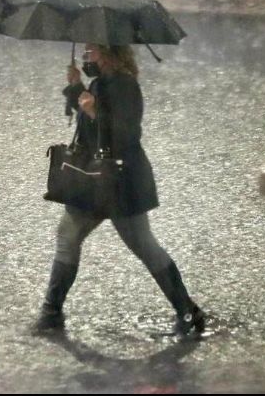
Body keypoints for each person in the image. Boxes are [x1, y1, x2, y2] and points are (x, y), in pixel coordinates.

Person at [34, 43, 206, 337]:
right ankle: (51, 311)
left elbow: (125, 133)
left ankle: (188, 310)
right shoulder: (100, 83)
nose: (87, 57)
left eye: (92, 52)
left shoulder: (126, 86)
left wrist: (92, 110)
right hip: (92, 181)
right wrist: (77, 90)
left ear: (109, 53)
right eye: (85, 52)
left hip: (121, 183)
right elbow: (89, 128)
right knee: (67, 236)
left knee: (143, 245)